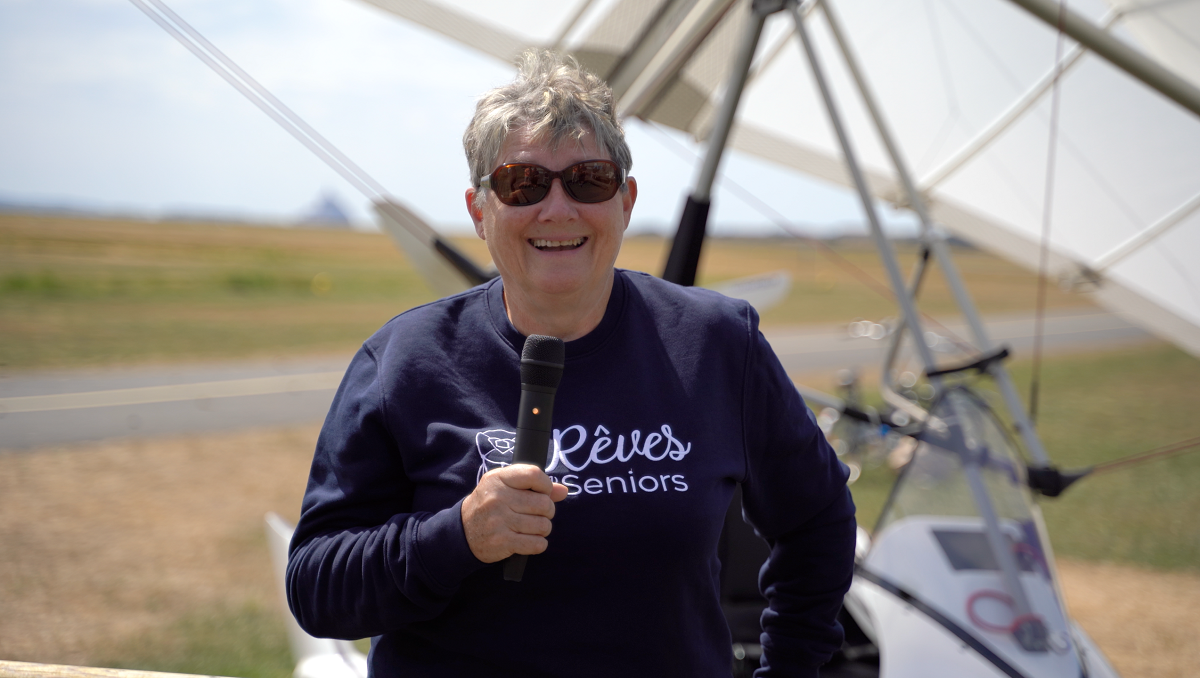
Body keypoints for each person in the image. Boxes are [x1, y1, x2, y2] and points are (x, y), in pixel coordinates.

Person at [286, 49, 856, 677]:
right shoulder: (405, 359)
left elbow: (819, 519)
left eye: (588, 180)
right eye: (522, 183)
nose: (557, 209)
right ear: (481, 211)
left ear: (626, 200)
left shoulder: (720, 343)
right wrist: (459, 536)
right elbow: (316, 586)